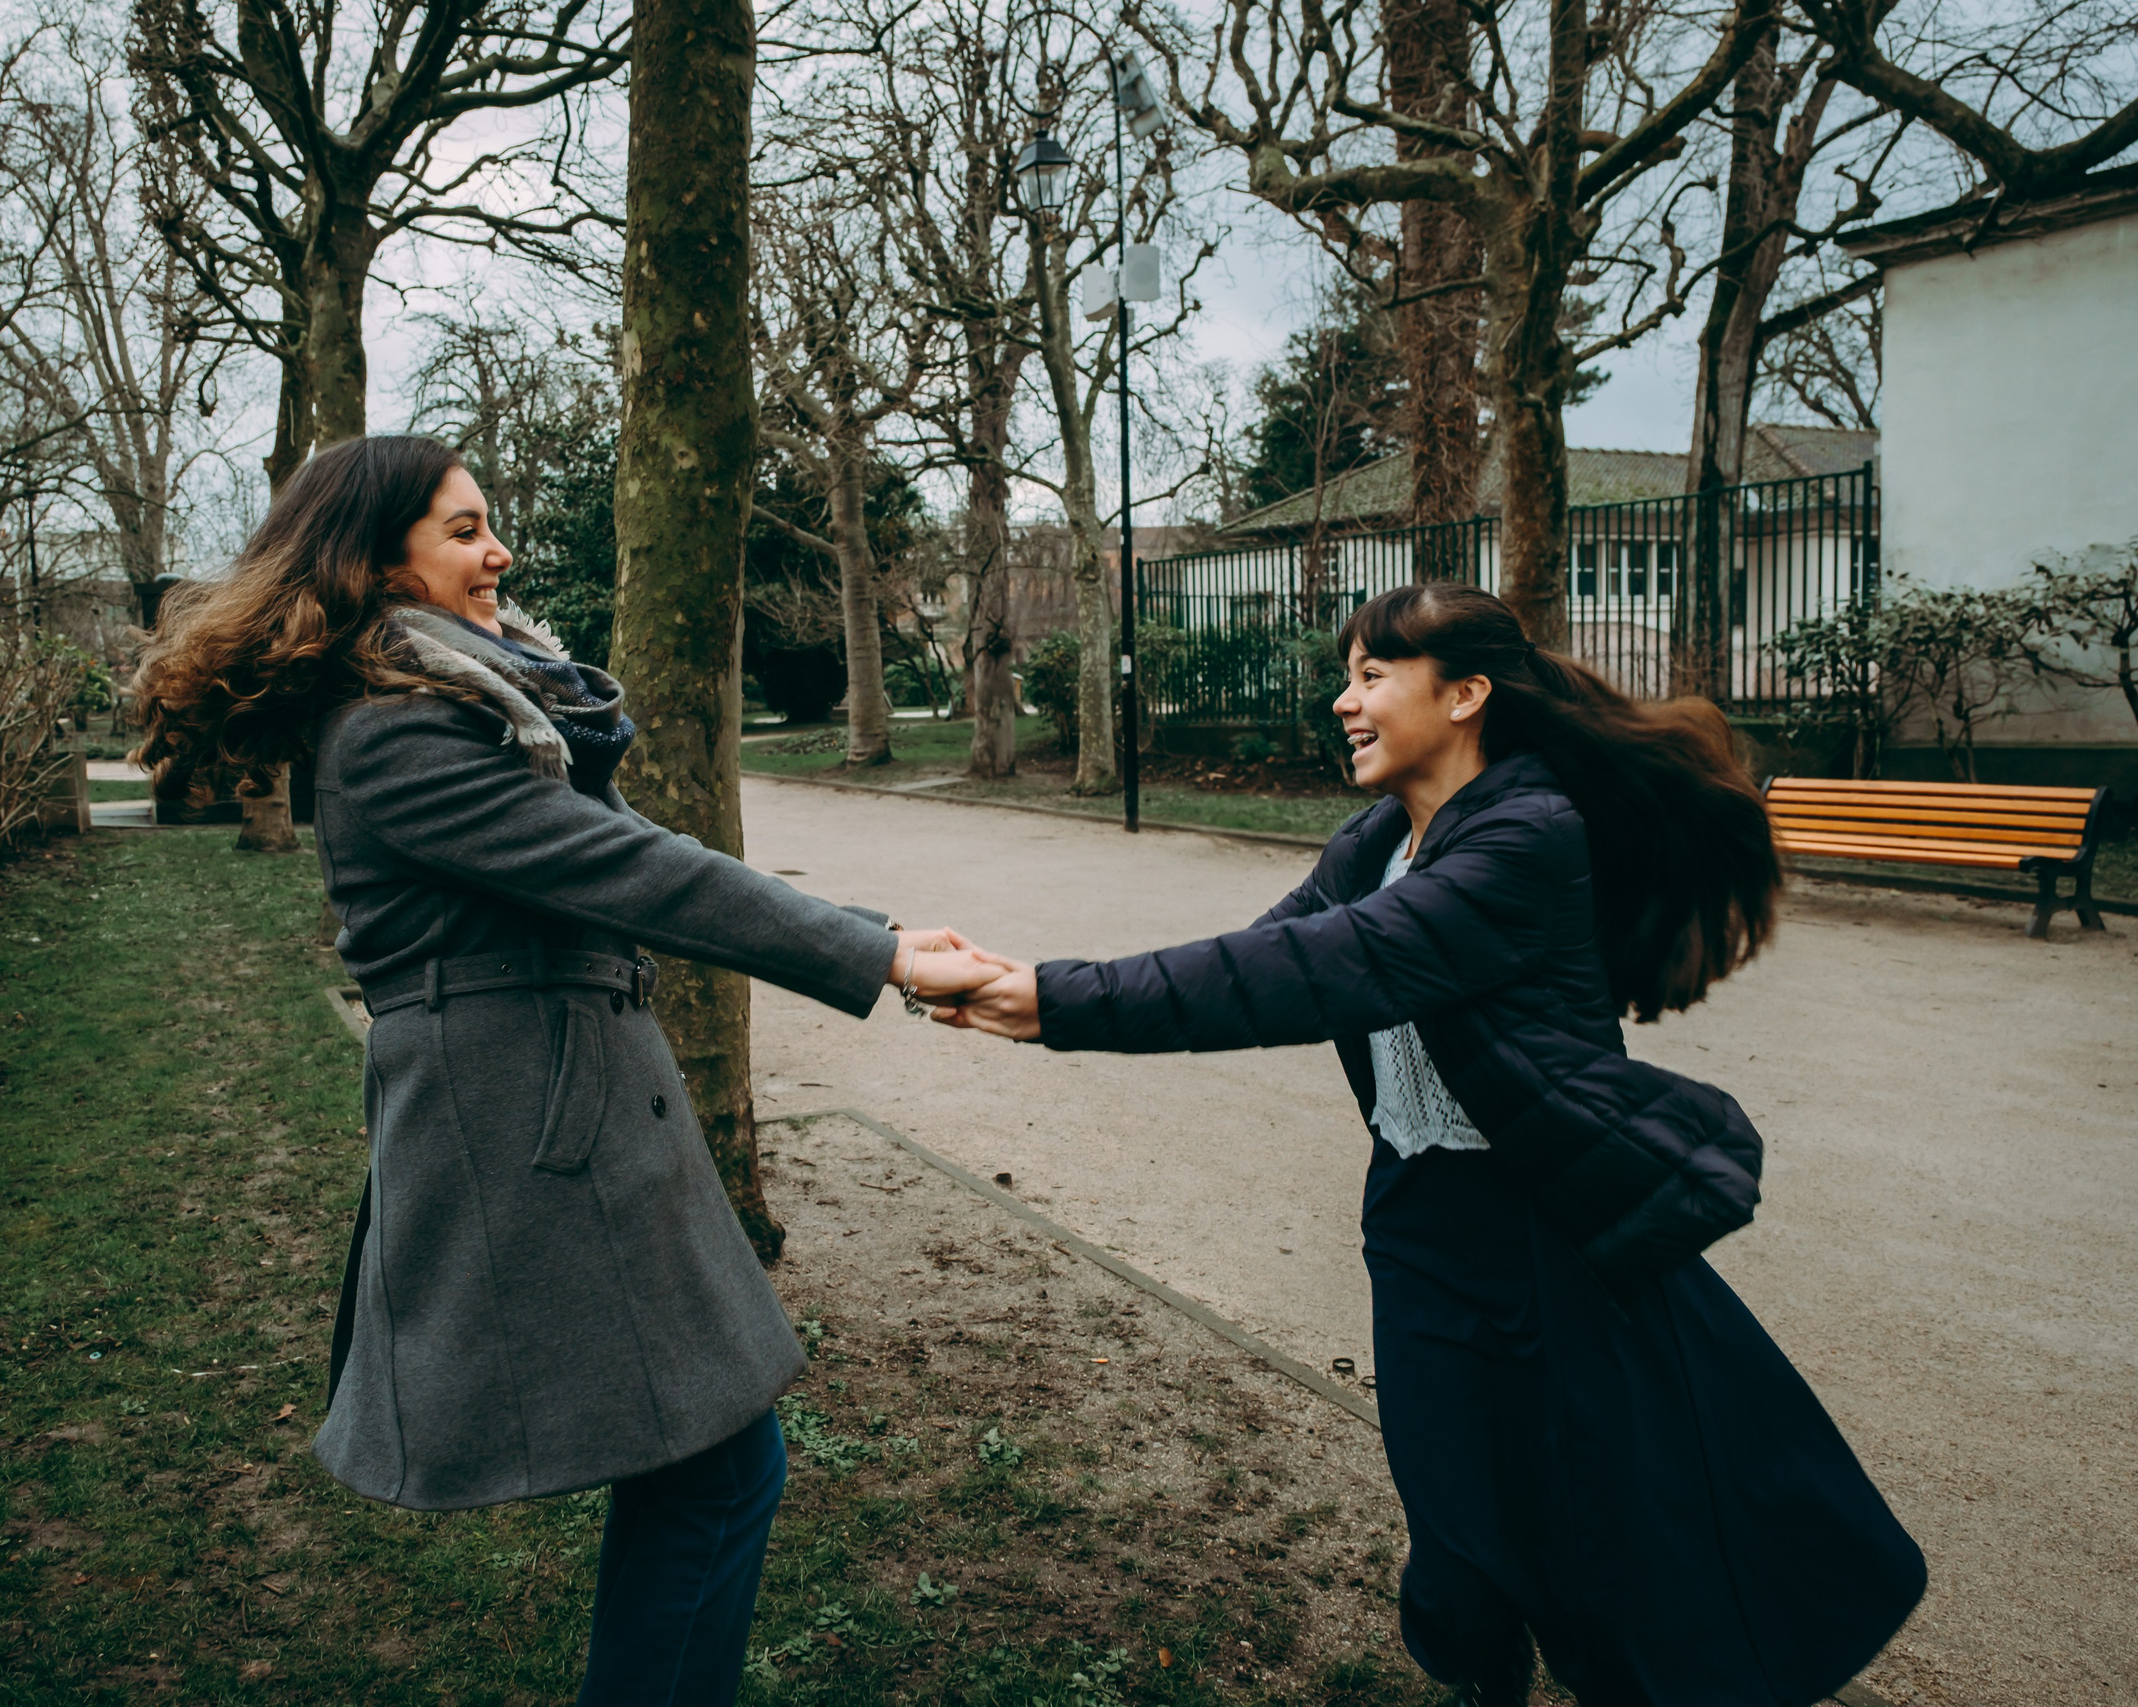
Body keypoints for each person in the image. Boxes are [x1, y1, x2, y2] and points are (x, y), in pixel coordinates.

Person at [936, 584, 1926, 1707]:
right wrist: (1047, 989)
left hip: (1548, 1231)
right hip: (1416, 1220)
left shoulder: (1526, 836)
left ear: (1464, 695)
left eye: (1371, 676)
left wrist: (1051, 1000)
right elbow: (1257, 961)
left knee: (1612, 1547)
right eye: (1346, 676)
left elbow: (1319, 972)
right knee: (1457, 1532)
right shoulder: (1378, 841)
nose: (1342, 700)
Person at [130, 434, 999, 1704]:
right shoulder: (392, 737)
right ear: (376, 563)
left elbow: (637, 851)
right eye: (464, 531)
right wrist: (881, 957)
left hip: (571, 1110)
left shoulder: (471, 708)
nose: (499, 553)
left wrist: (880, 937)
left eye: (489, 525)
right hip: (531, 1137)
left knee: (711, 1468)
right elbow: (632, 874)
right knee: (717, 1472)